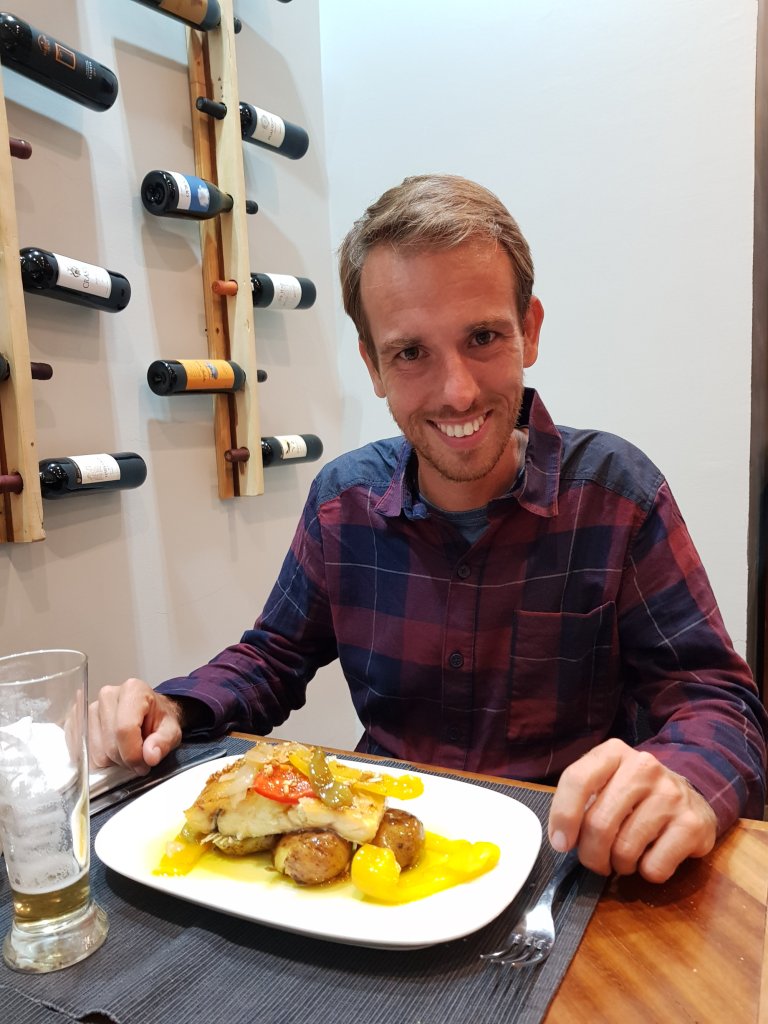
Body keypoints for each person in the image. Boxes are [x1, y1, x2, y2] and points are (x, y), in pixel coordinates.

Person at [90, 174, 768, 883]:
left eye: (483, 337)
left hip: (567, 869)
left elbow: (716, 701)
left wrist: (686, 779)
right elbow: (274, 657)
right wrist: (175, 705)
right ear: (372, 365)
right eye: (411, 352)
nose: (457, 392)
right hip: (374, 864)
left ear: (530, 330)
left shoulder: (618, 495)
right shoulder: (341, 501)